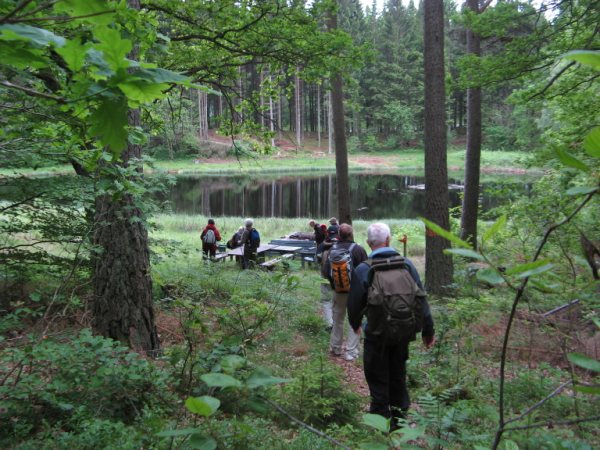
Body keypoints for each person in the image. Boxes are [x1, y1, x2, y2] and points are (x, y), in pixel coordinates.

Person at [347, 222, 435, 427]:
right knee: (398, 377)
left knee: (378, 382)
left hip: (375, 336)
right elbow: (421, 300)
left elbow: (354, 304)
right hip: (402, 334)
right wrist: (428, 331)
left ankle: (380, 427)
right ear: (388, 240)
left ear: (369, 243)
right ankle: (399, 424)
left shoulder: (363, 269)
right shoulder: (407, 265)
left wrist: (355, 324)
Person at [323, 223, 368, 361]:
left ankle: (336, 348)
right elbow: (366, 270)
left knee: (337, 319)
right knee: (355, 320)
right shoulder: (359, 250)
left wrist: (335, 284)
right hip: (355, 292)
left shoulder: (332, 250)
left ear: (338, 235)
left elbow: (325, 272)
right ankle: (351, 352)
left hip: (338, 290)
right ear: (351, 234)